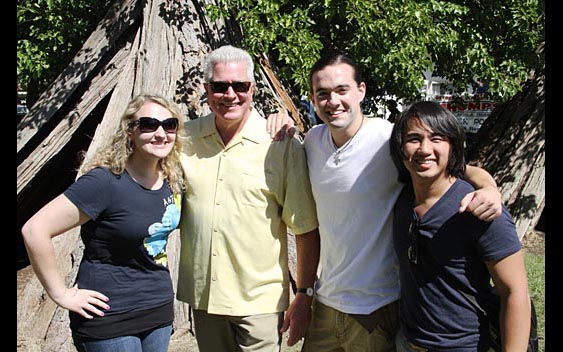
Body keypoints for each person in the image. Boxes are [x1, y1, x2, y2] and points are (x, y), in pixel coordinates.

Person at [267, 52, 503, 351]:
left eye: (342, 90)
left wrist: (490, 188)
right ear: (312, 100)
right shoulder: (312, 142)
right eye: (322, 94)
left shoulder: (388, 139)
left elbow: (457, 168)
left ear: (361, 91)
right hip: (326, 304)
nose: (333, 101)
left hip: (378, 309)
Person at [175, 45, 320, 352]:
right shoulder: (184, 140)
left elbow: (305, 227)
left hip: (259, 303)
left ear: (253, 88)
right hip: (205, 299)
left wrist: (304, 293)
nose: (230, 94)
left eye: (240, 86)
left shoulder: (279, 144)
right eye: (220, 86)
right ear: (206, 89)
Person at [21, 94, 186, 352]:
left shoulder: (171, 180)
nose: (160, 133)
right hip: (109, 316)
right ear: (130, 131)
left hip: (157, 312)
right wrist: (60, 293)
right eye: (149, 124)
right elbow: (35, 230)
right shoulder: (105, 182)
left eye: (169, 124)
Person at [389, 100, 531, 351]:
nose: (424, 149)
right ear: (400, 148)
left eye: (437, 138)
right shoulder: (403, 198)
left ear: (452, 145)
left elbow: (515, 292)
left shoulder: (480, 209)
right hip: (407, 342)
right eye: (413, 138)